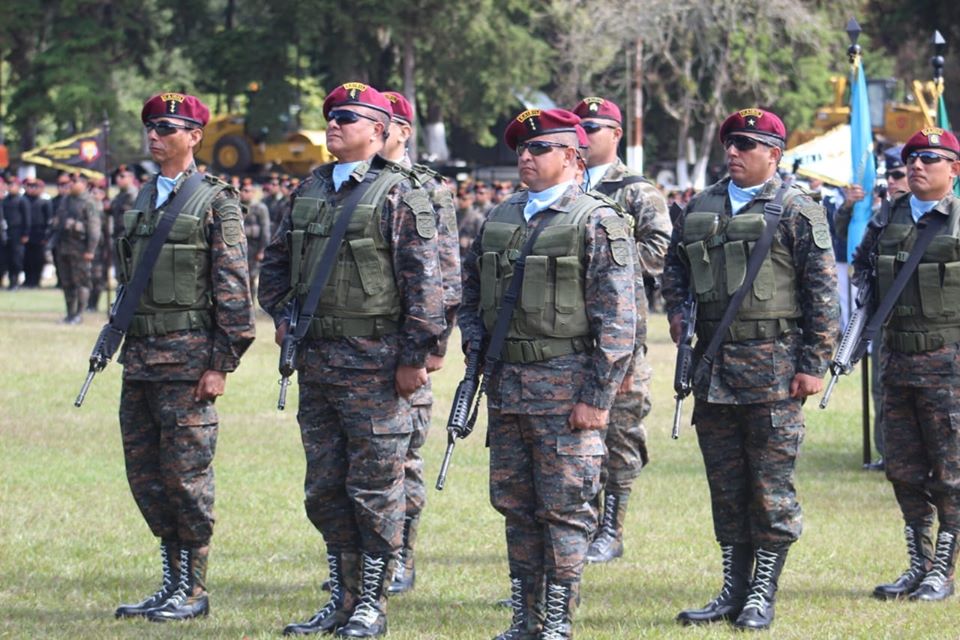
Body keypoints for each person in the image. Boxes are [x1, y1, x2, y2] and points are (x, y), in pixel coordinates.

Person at [258, 82, 444, 638]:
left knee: (376, 489)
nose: (333, 124)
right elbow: (274, 264)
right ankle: (340, 599)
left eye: (347, 117)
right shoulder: (310, 188)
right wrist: (285, 318)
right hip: (319, 365)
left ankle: (372, 604)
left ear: (379, 130)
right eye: (330, 116)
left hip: (377, 367)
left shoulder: (400, 193)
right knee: (326, 488)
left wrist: (415, 356)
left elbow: (427, 286)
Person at [459, 108, 636, 640]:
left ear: (572, 157)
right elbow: (470, 298)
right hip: (508, 388)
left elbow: (618, 322)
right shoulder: (499, 217)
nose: (526, 157)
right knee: (516, 506)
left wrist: (596, 396)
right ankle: (524, 617)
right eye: (523, 149)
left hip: (566, 388)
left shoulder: (597, 220)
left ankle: (556, 621)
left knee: (564, 510)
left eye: (540, 149)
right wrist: (478, 356)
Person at [662, 108, 839, 630]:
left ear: (774, 154)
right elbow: (675, 265)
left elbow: (823, 293)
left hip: (775, 372)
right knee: (727, 485)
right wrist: (677, 311)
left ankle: (762, 593)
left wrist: (813, 364)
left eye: (746, 144)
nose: (733, 152)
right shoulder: (702, 205)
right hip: (713, 372)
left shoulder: (797, 209)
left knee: (771, 487)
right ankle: (731, 590)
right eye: (730, 144)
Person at [111, 92, 255, 622]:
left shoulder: (216, 200)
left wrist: (222, 362)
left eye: (167, 127)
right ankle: (170, 581)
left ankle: (192, 589)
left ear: (194, 137)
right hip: (141, 359)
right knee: (146, 476)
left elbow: (234, 288)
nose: (154, 135)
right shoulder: (141, 197)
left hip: (189, 363)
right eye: (150, 126)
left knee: (186, 477)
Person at [851, 128, 960, 603]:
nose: (917, 165)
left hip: (950, 367)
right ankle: (918, 562)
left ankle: (943, 568)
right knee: (903, 468)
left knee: (950, 472)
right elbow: (861, 268)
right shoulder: (887, 217)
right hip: (897, 363)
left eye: (930, 158)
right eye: (911, 158)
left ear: (954, 169)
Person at [572, 96, 671, 563]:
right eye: (579, 127)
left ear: (615, 134)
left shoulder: (635, 190)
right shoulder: (562, 184)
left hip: (620, 334)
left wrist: (603, 259)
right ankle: (580, 523)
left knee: (620, 433)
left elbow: (660, 249)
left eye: (594, 127)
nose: (585, 135)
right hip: (566, 332)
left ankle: (612, 527)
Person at [380, 90, 462, 594]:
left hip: (407, 344)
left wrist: (433, 346)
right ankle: (365, 562)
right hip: (355, 348)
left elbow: (446, 273)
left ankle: (401, 557)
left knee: (404, 457)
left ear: (403, 131)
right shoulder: (352, 186)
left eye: (383, 122)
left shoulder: (429, 189)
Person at [836, 144, 909, 470]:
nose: (891, 182)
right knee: (883, 388)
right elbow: (848, 248)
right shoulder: (882, 215)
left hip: (930, 322)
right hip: (885, 319)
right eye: (887, 176)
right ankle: (889, 453)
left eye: (897, 175)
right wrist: (848, 209)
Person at [50, 173, 100, 323]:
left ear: (84, 183)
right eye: (69, 181)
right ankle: (70, 313)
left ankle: (79, 314)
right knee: (67, 282)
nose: (70, 184)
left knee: (81, 282)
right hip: (64, 247)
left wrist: (90, 250)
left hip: (80, 249)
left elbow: (94, 228)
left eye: (74, 181)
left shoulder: (89, 202)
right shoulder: (66, 200)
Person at [239, 180, 271, 304]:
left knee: (251, 277)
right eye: (243, 190)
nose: (245, 193)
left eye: (248, 191)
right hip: (240, 247)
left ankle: (250, 303)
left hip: (254, 247)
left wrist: (262, 250)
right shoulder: (237, 206)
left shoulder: (260, 208)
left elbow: (265, 229)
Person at [22, 178, 53, 288]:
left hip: (39, 233)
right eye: (30, 186)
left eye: (35, 187)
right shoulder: (23, 200)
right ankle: (27, 280)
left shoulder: (44, 201)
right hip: (26, 233)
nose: (32, 189)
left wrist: (46, 236)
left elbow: (49, 220)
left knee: (38, 259)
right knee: (26, 259)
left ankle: (36, 280)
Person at [2, 175, 31, 289]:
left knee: (16, 258)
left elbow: (27, 218)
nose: (10, 187)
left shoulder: (22, 200)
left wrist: (25, 233)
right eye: (8, 185)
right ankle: (8, 281)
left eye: (12, 185)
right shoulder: (4, 201)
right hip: (6, 232)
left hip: (17, 232)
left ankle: (15, 281)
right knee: (6, 258)